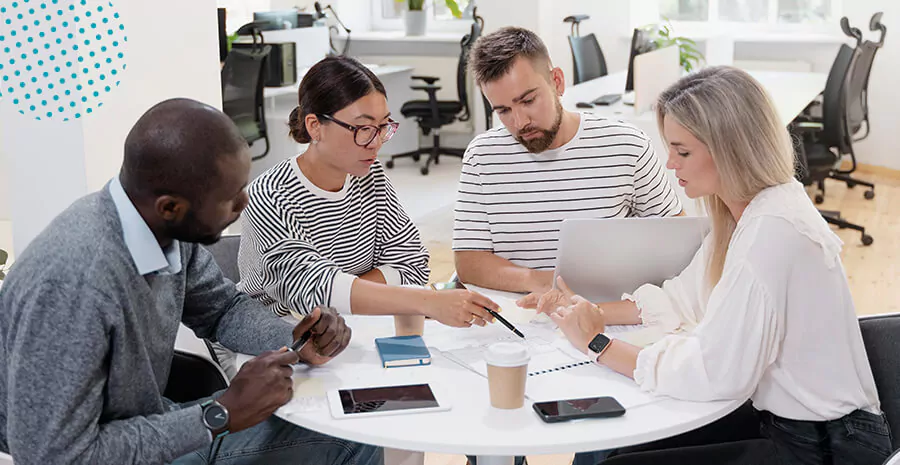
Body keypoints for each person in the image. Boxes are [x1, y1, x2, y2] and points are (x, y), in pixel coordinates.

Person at [0, 98, 382, 465]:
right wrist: (218, 414)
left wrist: (294, 342)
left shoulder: (165, 230)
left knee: (348, 414)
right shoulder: (75, 284)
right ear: (170, 206)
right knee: (354, 438)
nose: (244, 204)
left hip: (152, 423)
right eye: (230, 197)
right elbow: (52, 456)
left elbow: (221, 310)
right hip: (109, 452)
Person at [547, 67, 891, 465]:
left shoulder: (773, 231)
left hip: (827, 447)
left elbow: (717, 371)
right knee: (615, 444)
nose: (670, 163)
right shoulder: (749, 212)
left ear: (730, 148)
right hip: (789, 424)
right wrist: (593, 314)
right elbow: (684, 297)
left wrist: (597, 345)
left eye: (683, 151)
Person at [237, 56, 498, 327]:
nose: (375, 143)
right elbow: (310, 292)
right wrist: (424, 302)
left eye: (382, 127)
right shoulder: (267, 195)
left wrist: (344, 294)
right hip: (275, 339)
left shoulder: (369, 177)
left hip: (355, 327)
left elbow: (413, 264)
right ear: (315, 126)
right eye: (362, 128)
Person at [453, 27, 683, 312]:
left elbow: (677, 241)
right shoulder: (481, 156)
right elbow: (469, 263)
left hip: (606, 312)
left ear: (557, 82)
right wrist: (541, 280)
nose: (520, 121)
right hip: (520, 317)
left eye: (528, 100)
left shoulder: (627, 145)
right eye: (503, 111)